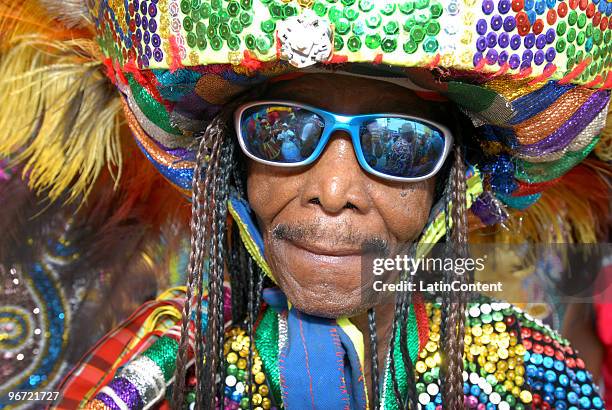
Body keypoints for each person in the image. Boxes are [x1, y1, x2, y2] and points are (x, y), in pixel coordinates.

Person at [0, 1, 610, 410]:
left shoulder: (532, 377)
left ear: (453, 187)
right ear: (235, 170)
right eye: (284, 131)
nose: (334, 190)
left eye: (401, 146)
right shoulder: (160, 378)